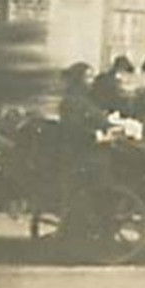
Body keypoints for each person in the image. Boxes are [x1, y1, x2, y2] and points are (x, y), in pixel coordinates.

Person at [57, 61, 112, 240]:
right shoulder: (72, 101)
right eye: (88, 77)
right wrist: (97, 136)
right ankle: (91, 225)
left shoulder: (82, 99)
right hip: (81, 155)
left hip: (86, 152)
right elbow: (74, 130)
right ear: (78, 79)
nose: (91, 81)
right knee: (103, 175)